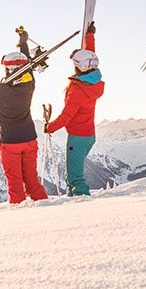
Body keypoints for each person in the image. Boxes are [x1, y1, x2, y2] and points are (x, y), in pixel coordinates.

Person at [0, 29, 48, 204]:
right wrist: (23, 42)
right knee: (32, 181)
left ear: (9, 69)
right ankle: (45, 208)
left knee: (15, 184)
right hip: (30, 140)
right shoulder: (29, 84)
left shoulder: (2, 91)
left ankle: (19, 217)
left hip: (10, 143)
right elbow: (27, 64)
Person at [44, 49, 105, 195]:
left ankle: (81, 203)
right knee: (72, 172)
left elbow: (67, 116)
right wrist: (89, 35)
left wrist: (50, 127)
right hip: (89, 135)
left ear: (79, 66)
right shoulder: (94, 84)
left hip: (77, 138)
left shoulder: (77, 91)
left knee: (75, 177)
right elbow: (89, 51)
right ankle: (72, 199)